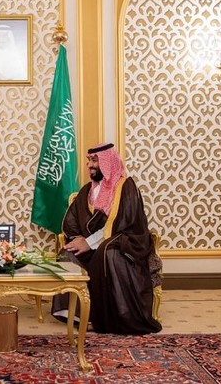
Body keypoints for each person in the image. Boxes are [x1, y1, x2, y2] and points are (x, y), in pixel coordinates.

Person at [52, 142, 162, 334]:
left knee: (107, 253)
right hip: (93, 247)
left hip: (125, 246)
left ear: (107, 162)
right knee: (67, 253)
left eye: (95, 160)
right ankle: (80, 314)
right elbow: (72, 220)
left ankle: (114, 317)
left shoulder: (125, 187)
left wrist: (89, 243)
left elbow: (123, 223)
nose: (90, 165)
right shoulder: (87, 191)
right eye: (89, 161)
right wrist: (79, 240)